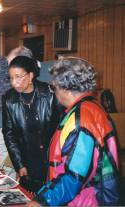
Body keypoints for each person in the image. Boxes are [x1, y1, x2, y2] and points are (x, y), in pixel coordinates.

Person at [29, 57, 119, 206]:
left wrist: (42, 201)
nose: (53, 92)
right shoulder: (92, 107)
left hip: (83, 200)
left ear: (66, 89)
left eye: (54, 87)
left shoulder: (82, 118)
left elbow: (74, 176)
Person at [2, 56, 61, 193]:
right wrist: (19, 164)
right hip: (27, 160)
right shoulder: (9, 99)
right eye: (11, 78)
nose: (14, 83)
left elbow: (61, 129)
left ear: (31, 75)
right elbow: (9, 134)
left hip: (51, 158)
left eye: (18, 77)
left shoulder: (51, 94)